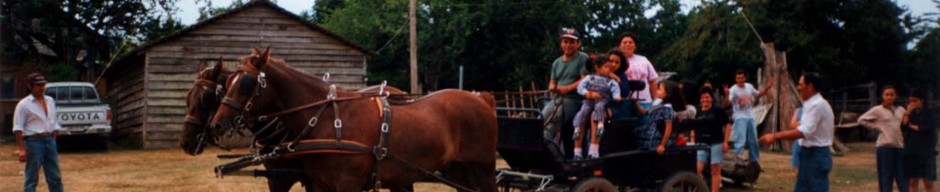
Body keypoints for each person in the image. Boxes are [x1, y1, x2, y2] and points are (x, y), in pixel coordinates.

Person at [759, 72, 834, 192]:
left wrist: (775, 136)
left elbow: (803, 132)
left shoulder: (817, 105)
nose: (798, 88)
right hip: (808, 154)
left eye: (800, 85)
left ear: (810, 87)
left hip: (816, 155)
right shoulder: (810, 105)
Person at [543, 28, 589, 159]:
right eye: (565, 41)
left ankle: (548, 151)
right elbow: (552, 81)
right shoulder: (557, 62)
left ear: (578, 44)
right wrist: (552, 86)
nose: (568, 45)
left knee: (552, 121)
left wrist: (567, 88)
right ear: (561, 43)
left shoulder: (582, 58)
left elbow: (584, 79)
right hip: (557, 99)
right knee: (541, 118)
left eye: (571, 42)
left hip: (574, 99)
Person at [13, 73, 64, 192]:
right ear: (30, 86)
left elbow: (52, 120)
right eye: (38, 85)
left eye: (43, 85)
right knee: (32, 177)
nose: (42, 88)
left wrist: (53, 135)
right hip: (33, 141)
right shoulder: (23, 105)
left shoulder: (50, 100)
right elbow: (18, 128)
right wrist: (21, 149)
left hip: (49, 140)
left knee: (55, 176)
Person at [571, 55, 622, 160]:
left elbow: (615, 89)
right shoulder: (589, 78)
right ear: (597, 68)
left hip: (601, 102)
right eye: (606, 67)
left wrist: (617, 96)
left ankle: (593, 151)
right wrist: (587, 93)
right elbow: (580, 87)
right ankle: (577, 152)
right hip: (588, 101)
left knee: (598, 112)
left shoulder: (610, 80)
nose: (609, 69)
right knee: (582, 113)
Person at [858, 86, 908, 192]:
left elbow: (905, 125)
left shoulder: (901, 110)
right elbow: (861, 120)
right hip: (885, 147)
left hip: (899, 146)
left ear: (896, 96)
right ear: (883, 96)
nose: (889, 97)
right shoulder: (878, 110)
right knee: (886, 177)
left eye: (892, 95)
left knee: (902, 176)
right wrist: (877, 127)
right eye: (887, 95)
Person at [726, 69, 774, 162]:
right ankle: (737, 160)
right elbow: (727, 104)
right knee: (740, 141)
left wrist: (767, 88)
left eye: (742, 78)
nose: (740, 80)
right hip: (739, 117)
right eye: (738, 78)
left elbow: (758, 95)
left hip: (750, 116)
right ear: (736, 79)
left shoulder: (749, 86)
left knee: (754, 141)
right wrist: (727, 94)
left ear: (745, 78)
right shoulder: (733, 89)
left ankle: (754, 161)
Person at [694, 87, 731, 192]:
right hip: (701, 143)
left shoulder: (718, 110)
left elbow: (727, 125)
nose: (705, 100)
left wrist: (725, 142)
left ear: (711, 98)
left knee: (715, 169)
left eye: (707, 97)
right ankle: (703, 187)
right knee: (697, 169)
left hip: (716, 142)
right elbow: (693, 127)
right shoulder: (697, 111)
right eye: (702, 97)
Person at [635, 80, 686, 154]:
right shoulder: (657, 103)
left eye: (660, 89)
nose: (657, 91)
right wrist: (636, 103)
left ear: (668, 94)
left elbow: (668, 127)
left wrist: (662, 145)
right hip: (650, 129)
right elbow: (645, 112)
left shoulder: (667, 108)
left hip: (656, 135)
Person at [902, 89, 936, 192]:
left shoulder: (929, 113)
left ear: (921, 100)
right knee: (913, 181)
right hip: (911, 151)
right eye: (910, 101)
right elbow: (903, 127)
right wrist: (907, 113)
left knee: (928, 182)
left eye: (915, 101)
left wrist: (912, 126)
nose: (912, 104)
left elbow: (927, 128)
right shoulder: (910, 114)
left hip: (926, 152)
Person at [619, 33, 659, 116]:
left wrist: (656, 100)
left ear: (635, 46)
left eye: (630, 42)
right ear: (620, 45)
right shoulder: (615, 62)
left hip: (645, 101)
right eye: (625, 42)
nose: (627, 44)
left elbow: (652, 80)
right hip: (623, 101)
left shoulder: (643, 60)